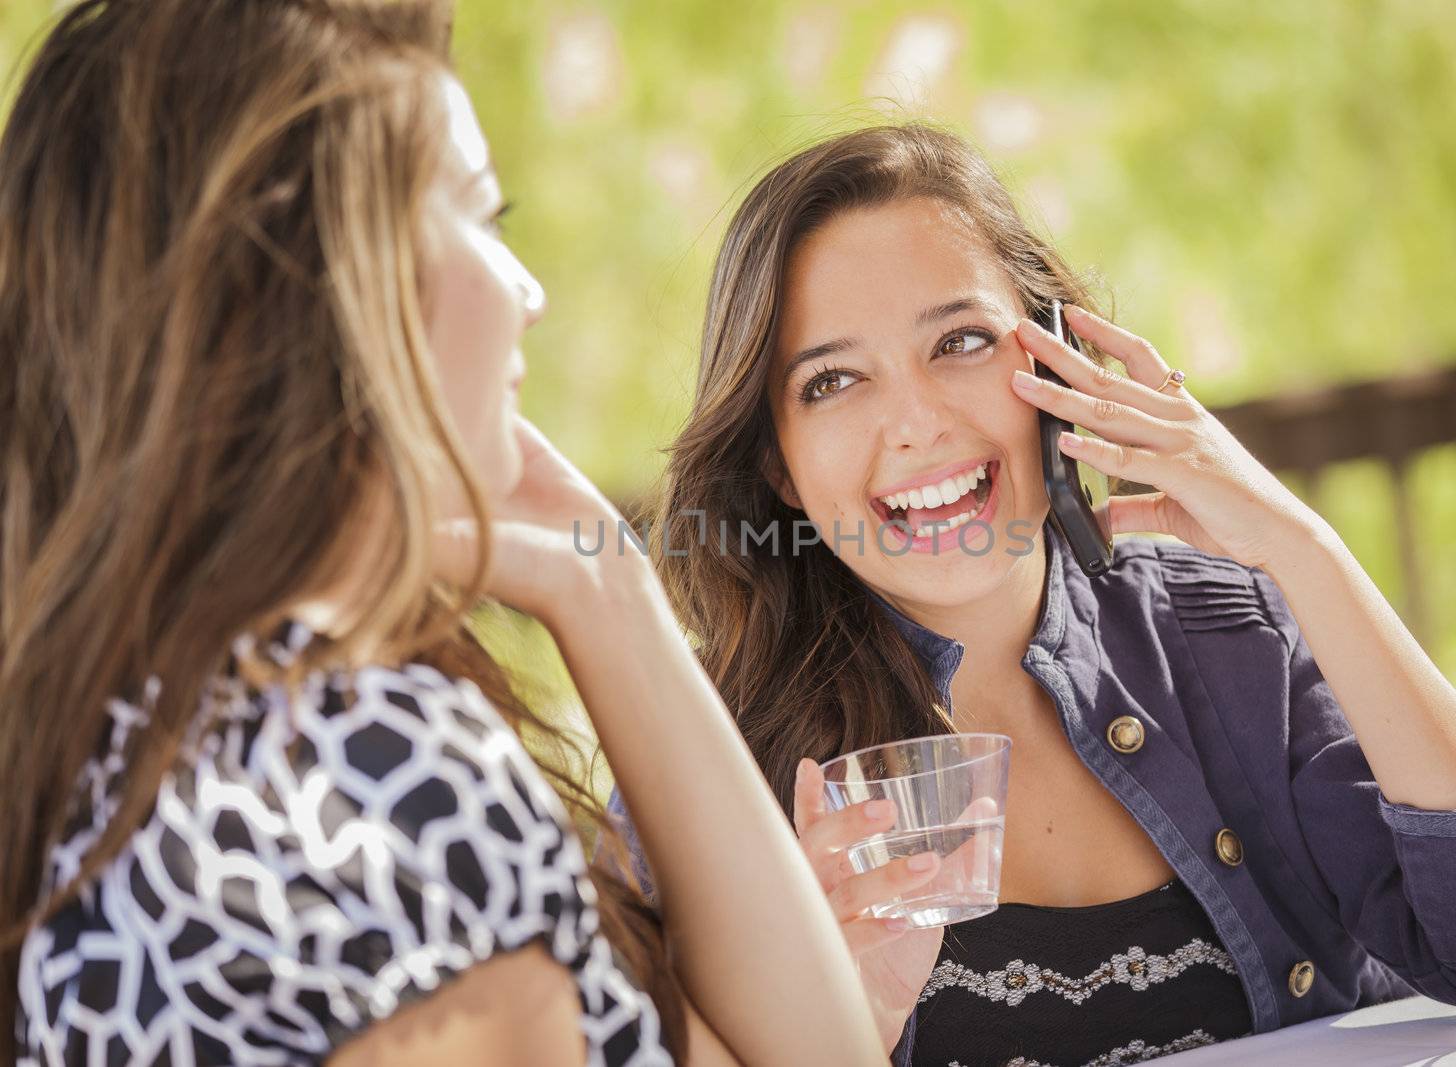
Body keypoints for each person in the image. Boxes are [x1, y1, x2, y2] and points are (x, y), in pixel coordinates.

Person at [0, 2, 886, 1064]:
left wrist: (607, 594)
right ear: (330, 290)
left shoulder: (117, 729)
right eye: (485, 216)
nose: (530, 294)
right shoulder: (387, 780)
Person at [608, 124, 1456, 1065]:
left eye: (958, 341)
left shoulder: (1220, 631)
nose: (913, 422)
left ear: (1057, 359)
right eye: (831, 381)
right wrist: (839, 1021)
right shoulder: (700, 775)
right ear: (776, 465)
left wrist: (1304, 552)